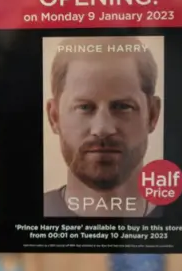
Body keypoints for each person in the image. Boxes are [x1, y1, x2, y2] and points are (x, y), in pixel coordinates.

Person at [43, 36, 162, 218]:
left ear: (152, 114)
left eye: (123, 107)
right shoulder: (22, 219)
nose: (102, 128)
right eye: (84, 107)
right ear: (54, 117)